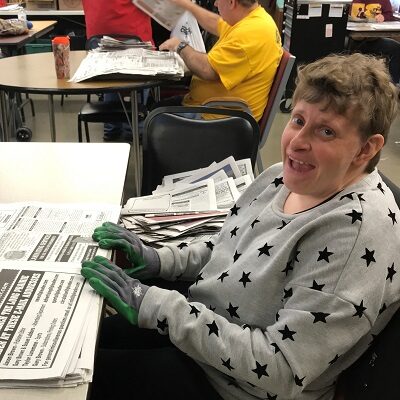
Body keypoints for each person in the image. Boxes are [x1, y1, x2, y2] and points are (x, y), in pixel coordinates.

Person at [81, 53, 400, 400]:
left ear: (366, 149)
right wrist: (159, 259)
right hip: (207, 338)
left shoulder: (352, 233)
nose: (297, 142)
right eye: (297, 120)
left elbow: (280, 369)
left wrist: (157, 305)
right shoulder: (283, 176)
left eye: (326, 131)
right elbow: (228, 246)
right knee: (84, 340)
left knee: (75, 382)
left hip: (235, 387)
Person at [157, 0, 282, 121]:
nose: (216, 4)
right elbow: (215, 22)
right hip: (213, 107)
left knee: (153, 118)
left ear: (232, 2)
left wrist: (180, 46)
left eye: (218, 0)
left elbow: (207, 69)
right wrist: (187, 5)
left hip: (220, 118)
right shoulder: (254, 19)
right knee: (155, 109)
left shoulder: (249, 34)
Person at [82, 0, 153, 141]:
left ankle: (112, 129)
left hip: (98, 31)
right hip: (132, 31)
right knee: (137, 83)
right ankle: (134, 129)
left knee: (109, 80)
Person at [350, 0, 400, 84]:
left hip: (374, 40)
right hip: (354, 41)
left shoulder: (384, 1)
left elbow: (389, 15)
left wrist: (384, 17)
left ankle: (392, 86)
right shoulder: (355, 1)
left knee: (396, 48)